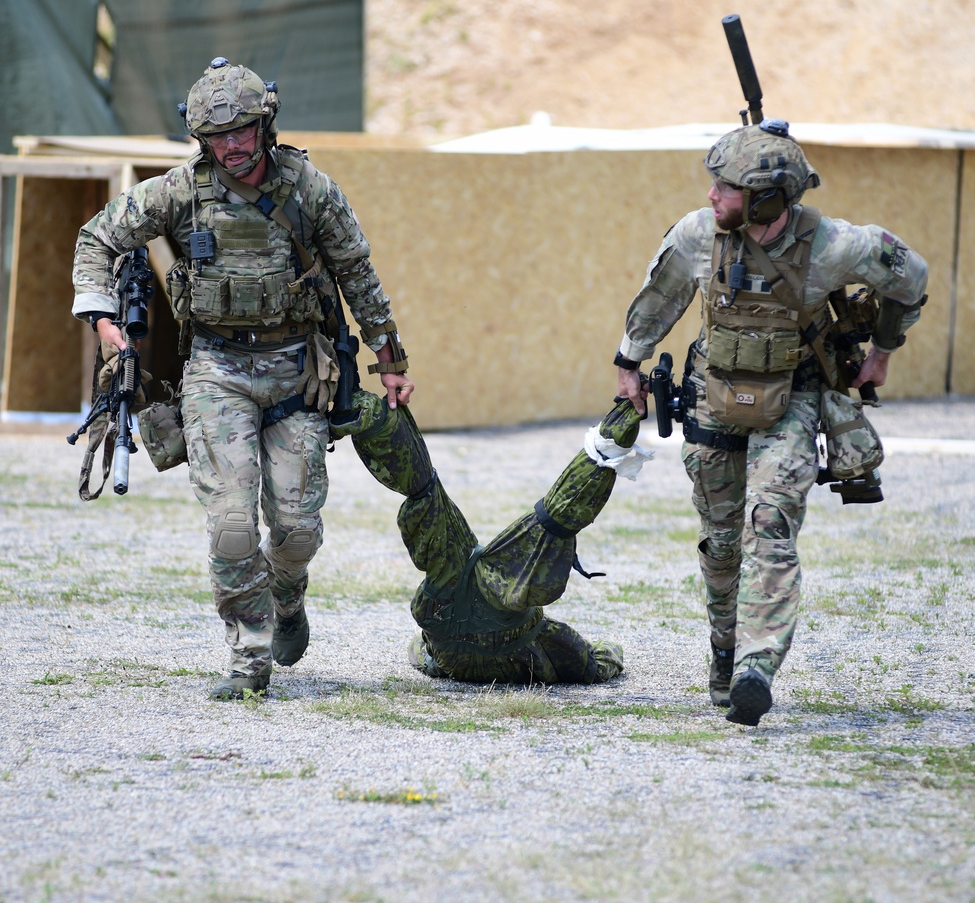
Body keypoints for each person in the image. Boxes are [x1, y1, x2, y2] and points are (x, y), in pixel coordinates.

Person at [71, 57, 413, 699]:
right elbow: (98, 238)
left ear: (266, 124)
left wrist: (389, 363)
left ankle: (287, 598)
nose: (231, 145)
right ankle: (248, 655)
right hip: (216, 373)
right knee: (231, 524)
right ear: (199, 139)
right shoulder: (177, 193)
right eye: (215, 136)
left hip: (296, 375)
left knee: (296, 528)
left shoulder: (310, 189)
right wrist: (99, 315)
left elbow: (359, 274)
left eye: (242, 131)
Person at [614, 119, 928, 726]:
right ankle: (725, 651)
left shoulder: (837, 245)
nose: (711, 196)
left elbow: (910, 277)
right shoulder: (697, 234)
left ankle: (756, 668)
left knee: (769, 523)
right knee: (723, 541)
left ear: (765, 198)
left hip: (791, 402)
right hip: (713, 399)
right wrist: (629, 362)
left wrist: (883, 352)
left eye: (725, 187)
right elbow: (659, 299)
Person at [331, 389, 649, 685]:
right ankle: (612, 437)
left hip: (449, 630)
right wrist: (607, 653)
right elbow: (597, 662)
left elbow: (421, 653)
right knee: (545, 529)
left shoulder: (444, 649)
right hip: (509, 639)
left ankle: (367, 412)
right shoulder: (542, 639)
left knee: (428, 498)